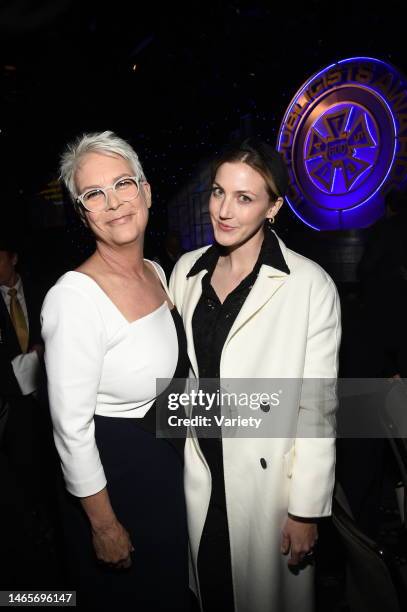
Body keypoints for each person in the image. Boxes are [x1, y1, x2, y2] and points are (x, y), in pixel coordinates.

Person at [169, 138, 341, 612]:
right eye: (218, 192)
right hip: (201, 473)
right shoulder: (185, 272)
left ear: (273, 207)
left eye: (244, 198)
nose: (224, 210)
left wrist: (306, 509)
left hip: (268, 489)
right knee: (211, 591)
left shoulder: (309, 285)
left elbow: (317, 406)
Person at [41, 131, 190, 610]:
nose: (113, 203)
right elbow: (71, 430)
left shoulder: (155, 271)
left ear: (145, 191)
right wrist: (104, 525)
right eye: (93, 194)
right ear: (83, 213)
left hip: (165, 467)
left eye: (123, 184)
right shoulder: (74, 296)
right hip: (116, 482)